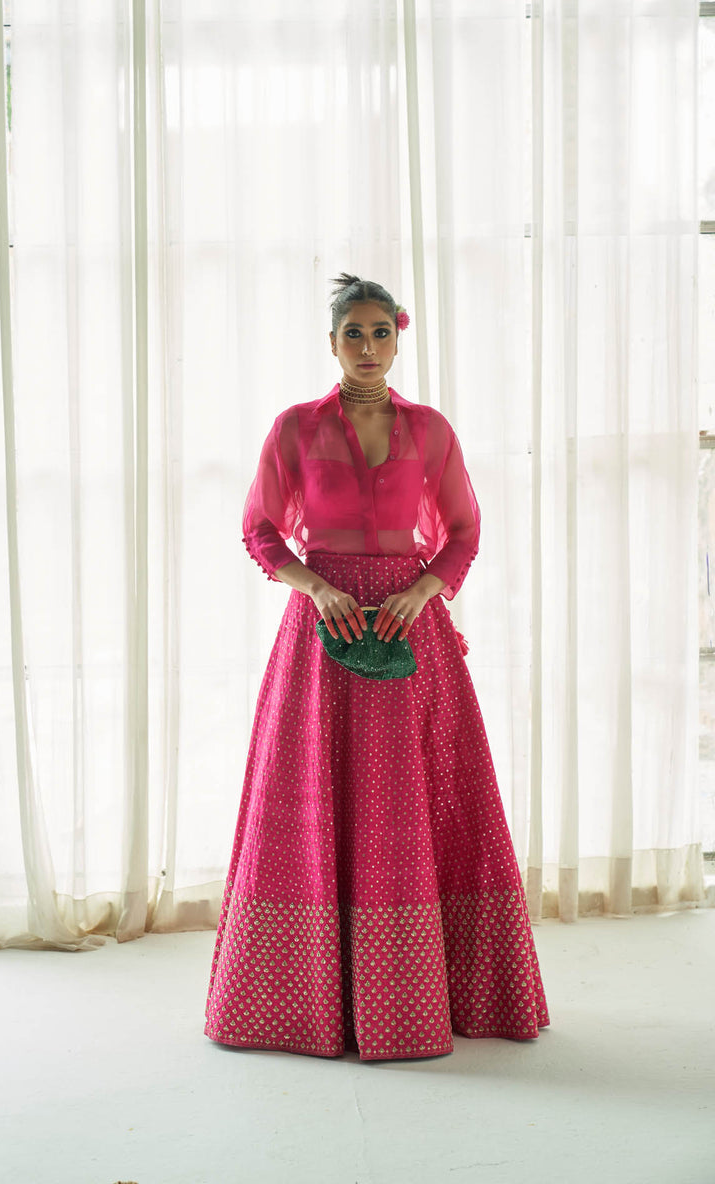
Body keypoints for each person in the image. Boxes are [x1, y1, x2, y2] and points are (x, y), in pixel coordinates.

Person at [203, 273, 549, 1061]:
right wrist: (316, 585)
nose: (367, 348)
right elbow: (260, 532)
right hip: (322, 633)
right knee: (315, 796)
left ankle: (422, 998)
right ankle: (302, 1003)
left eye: (380, 333)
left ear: (399, 337)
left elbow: (462, 530)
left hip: (408, 627)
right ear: (331, 343)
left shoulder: (430, 430)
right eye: (352, 334)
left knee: (413, 800)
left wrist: (426, 588)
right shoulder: (295, 429)